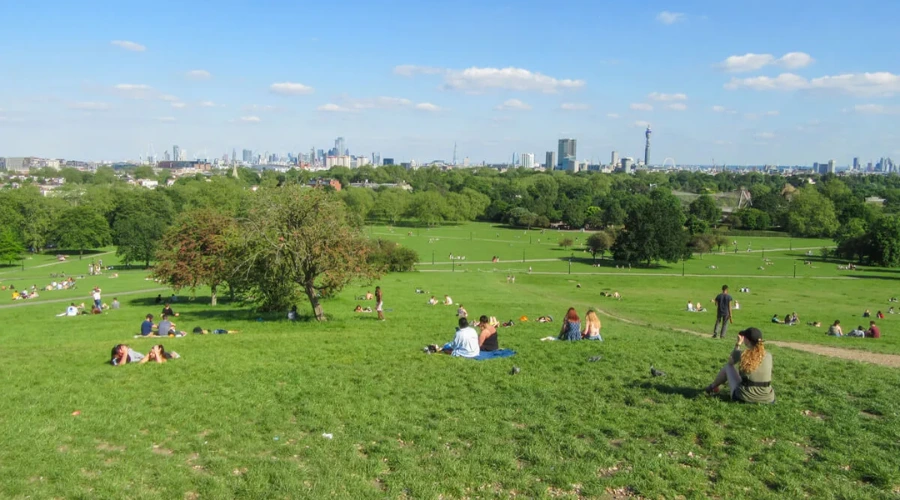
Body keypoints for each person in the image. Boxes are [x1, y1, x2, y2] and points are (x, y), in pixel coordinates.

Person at [704, 327, 775, 404]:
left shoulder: (743, 354)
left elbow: (730, 361)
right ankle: (713, 387)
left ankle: (711, 387)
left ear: (747, 340)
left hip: (744, 397)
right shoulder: (768, 355)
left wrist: (738, 344)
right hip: (768, 399)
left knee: (728, 367)